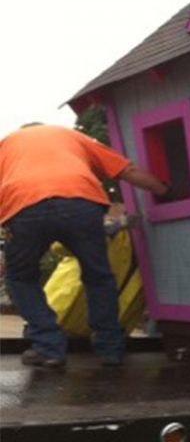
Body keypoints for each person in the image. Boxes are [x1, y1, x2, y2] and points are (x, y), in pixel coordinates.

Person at [0, 123, 170, 368]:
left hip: (24, 206)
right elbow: (127, 170)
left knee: (20, 277)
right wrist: (165, 191)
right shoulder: (74, 137)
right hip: (81, 203)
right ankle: (110, 350)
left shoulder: (7, 144)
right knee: (98, 276)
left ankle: (48, 348)